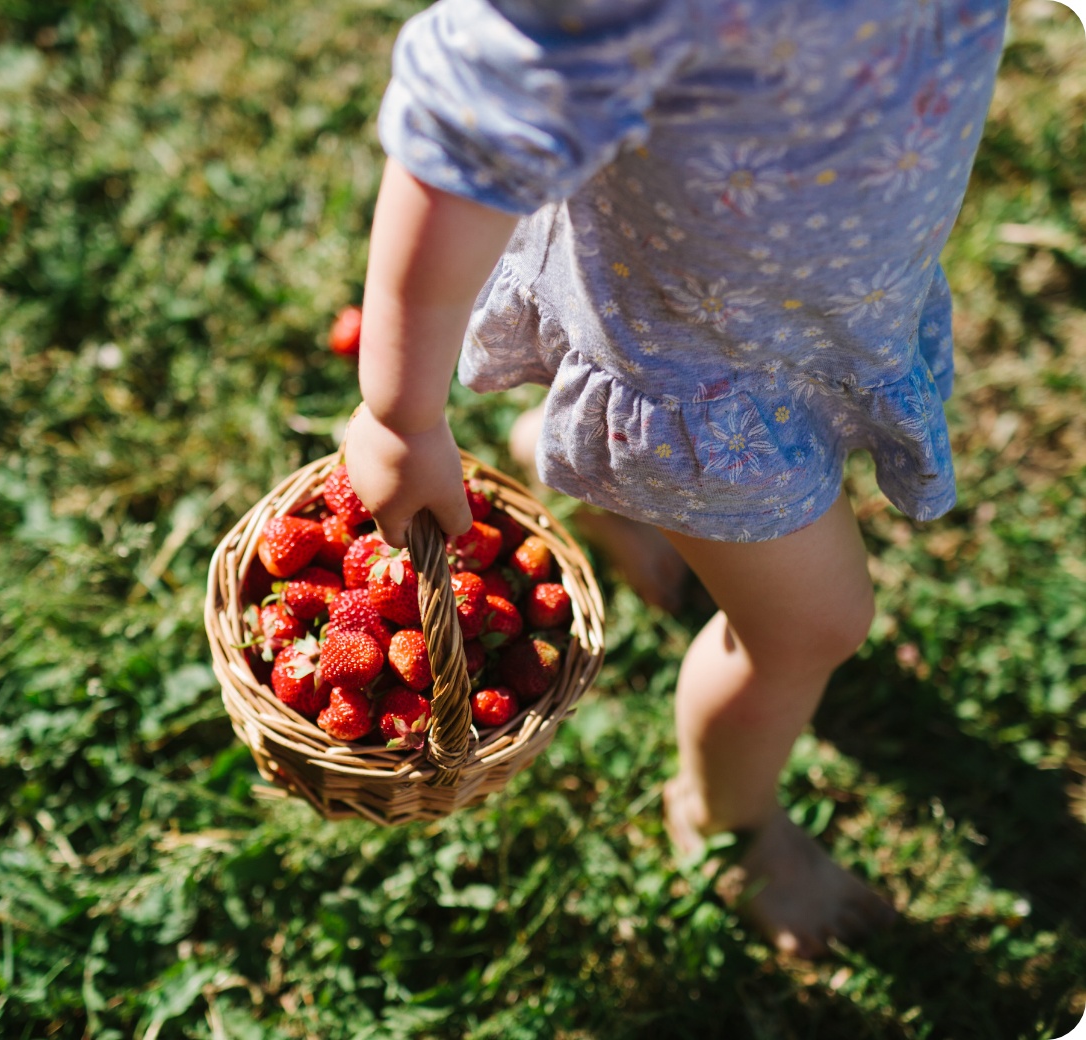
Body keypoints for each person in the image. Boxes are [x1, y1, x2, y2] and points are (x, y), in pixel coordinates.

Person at [343, 0, 1010, 958]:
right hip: (695, 376)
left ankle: (582, 473)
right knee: (811, 628)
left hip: (827, 298)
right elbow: (462, 129)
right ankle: (725, 820)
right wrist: (401, 412)